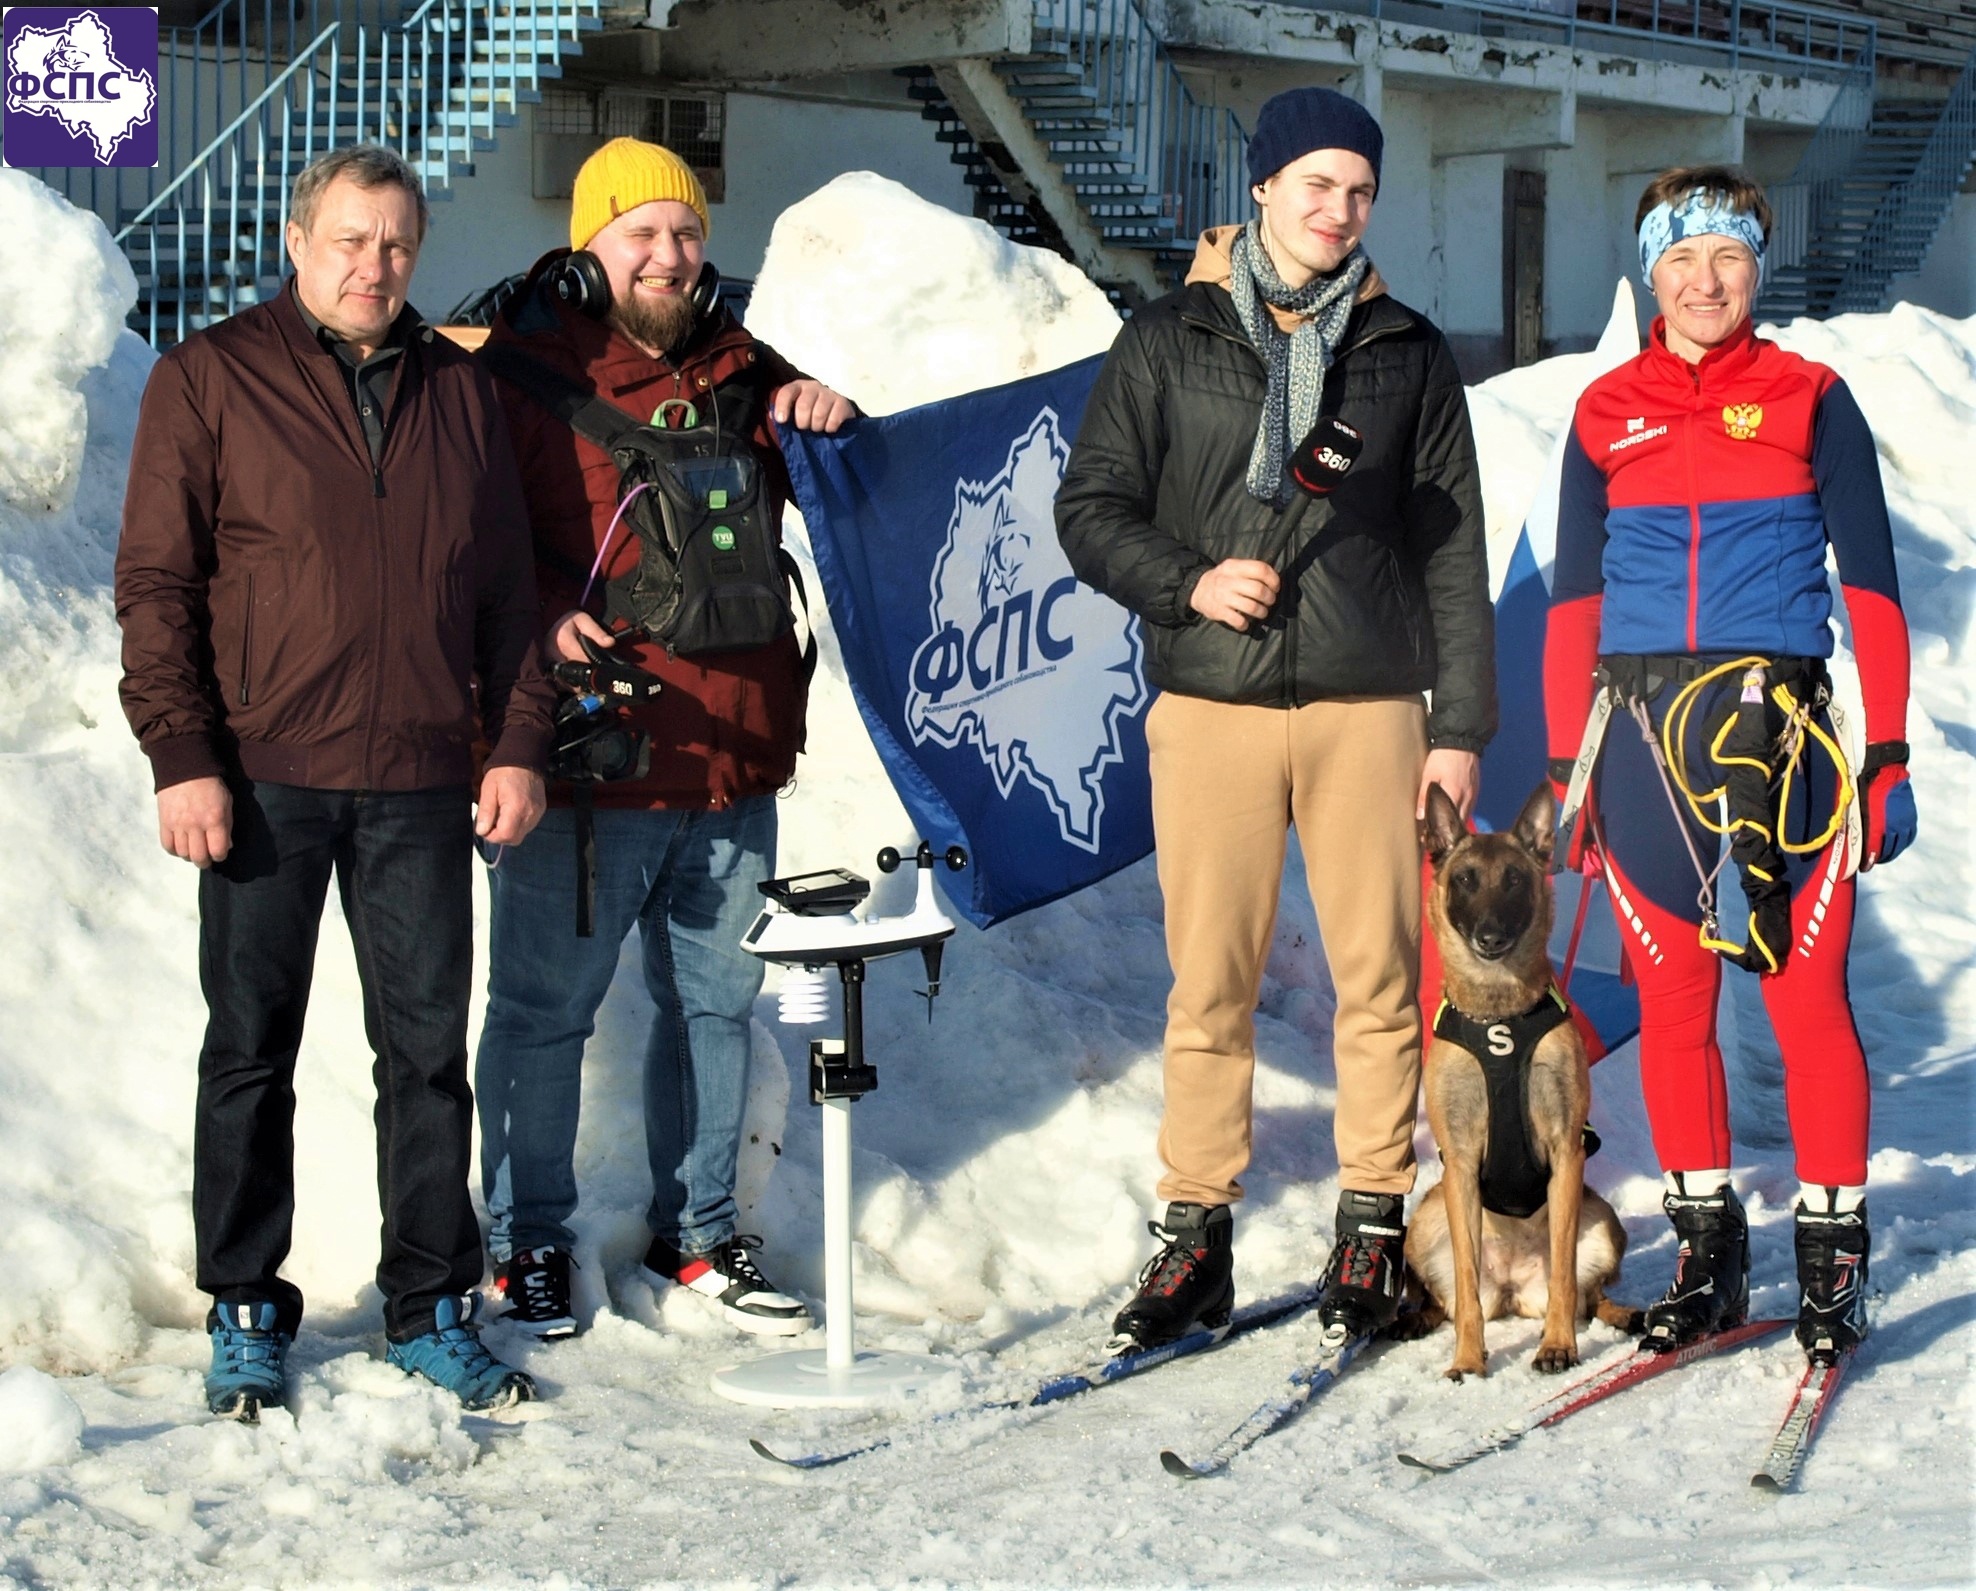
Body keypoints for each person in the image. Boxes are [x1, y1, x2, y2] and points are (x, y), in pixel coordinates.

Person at [115, 145, 557, 1418]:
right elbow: (157, 589)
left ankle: (429, 1304)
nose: (376, 266)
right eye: (352, 241)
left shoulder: (459, 393)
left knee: (425, 1058)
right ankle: (246, 1300)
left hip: (420, 778)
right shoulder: (210, 379)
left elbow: (505, 593)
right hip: (261, 777)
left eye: (399, 244)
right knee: (249, 1051)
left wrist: (516, 739)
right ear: (298, 241)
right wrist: (183, 757)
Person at [1055, 87, 1496, 1350]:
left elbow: (1452, 549)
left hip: (1368, 705)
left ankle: (1368, 1222)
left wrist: (1456, 722)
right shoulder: (1166, 337)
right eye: (1313, 184)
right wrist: (1185, 580)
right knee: (1210, 985)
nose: (1335, 208)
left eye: (1356, 190)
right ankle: (1192, 1239)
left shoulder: (1404, 349)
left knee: (1379, 978)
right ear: (1260, 189)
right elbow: (1089, 509)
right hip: (1211, 704)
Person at [472, 138, 857, 1339]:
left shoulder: (744, 365)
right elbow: (464, 550)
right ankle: (523, 1242)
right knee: (544, 1014)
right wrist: (543, 619)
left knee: (713, 1010)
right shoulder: (520, 378)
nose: (669, 254)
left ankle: (696, 1241)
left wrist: (827, 416)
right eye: (640, 231)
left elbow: (855, 492)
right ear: (589, 246)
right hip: (591, 765)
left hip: (732, 766)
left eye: (685, 232)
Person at [1544, 167, 1914, 1365]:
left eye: (1728, 260)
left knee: (1808, 1005)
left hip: (1787, 748)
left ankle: (1830, 1263)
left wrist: (1889, 757)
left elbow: (1868, 590)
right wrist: (1566, 770)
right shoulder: (1604, 411)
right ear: (1649, 273)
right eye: (1679, 261)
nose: (1704, 283)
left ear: (1756, 269)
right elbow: (1572, 604)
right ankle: (1706, 1256)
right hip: (1645, 756)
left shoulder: (1812, 398)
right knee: (1673, 1012)